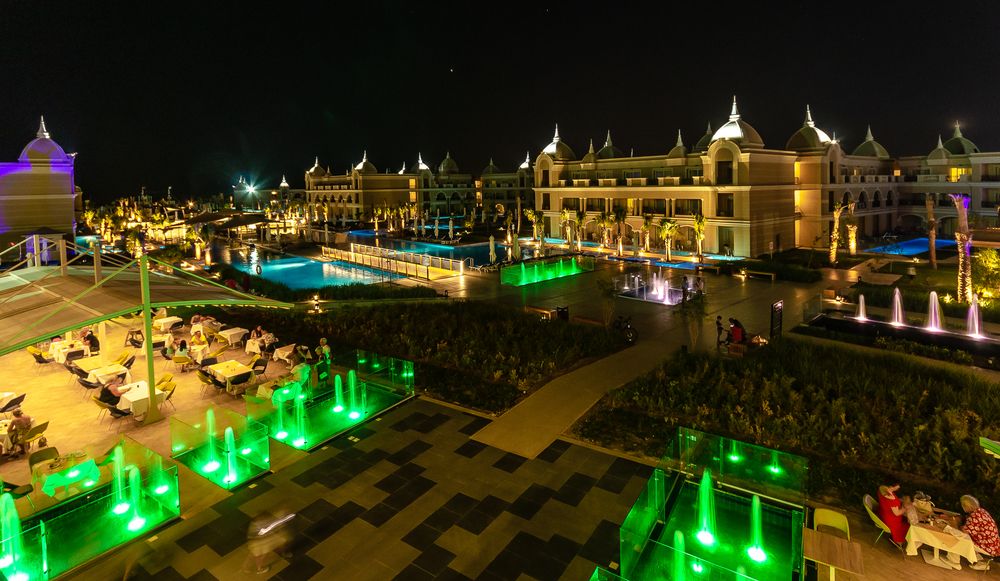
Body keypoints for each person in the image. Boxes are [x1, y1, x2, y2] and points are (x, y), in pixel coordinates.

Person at [960, 495, 1000, 567]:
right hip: (995, 545)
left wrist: (957, 525)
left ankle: (956, 561)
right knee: (966, 537)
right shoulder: (981, 511)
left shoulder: (974, 516)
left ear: (967, 506)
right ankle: (977, 559)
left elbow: (965, 532)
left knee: (962, 539)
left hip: (989, 547)